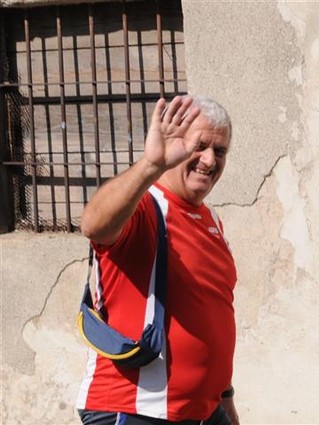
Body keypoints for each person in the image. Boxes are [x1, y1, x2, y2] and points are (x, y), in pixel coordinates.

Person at [75, 95, 240, 425]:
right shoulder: (145, 208)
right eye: (199, 146)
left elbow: (212, 313)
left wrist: (225, 399)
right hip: (138, 410)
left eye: (219, 151)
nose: (209, 160)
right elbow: (93, 225)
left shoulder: (211, 220)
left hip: (204, 410)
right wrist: (152, 165)